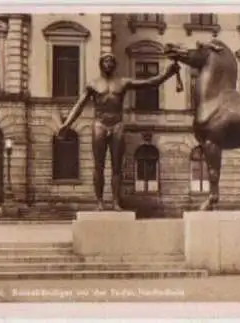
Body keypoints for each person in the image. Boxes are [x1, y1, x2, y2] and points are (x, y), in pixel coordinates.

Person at [58, 53, 180, 211]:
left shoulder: (123, 82)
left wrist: (167, 74)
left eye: (111, 61)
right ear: (100, 64)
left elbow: (149, 82)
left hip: (117, 124)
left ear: (114, 64)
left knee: (117, 167)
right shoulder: (93, 84)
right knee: (98, 166)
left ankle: (116, 202)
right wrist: (67, 123)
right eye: (105, 61)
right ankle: (100, 202)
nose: (108, 63)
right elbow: (79, 105)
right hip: (99, 124)